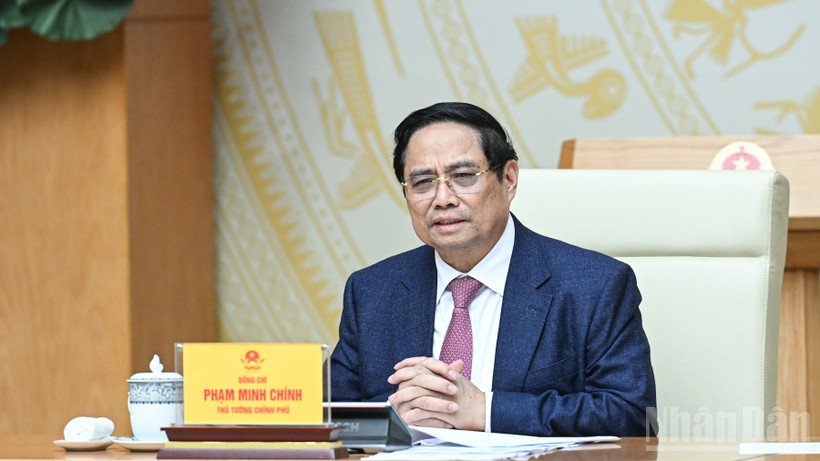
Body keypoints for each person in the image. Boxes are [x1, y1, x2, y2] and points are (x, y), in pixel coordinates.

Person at [330, 102, 656, 436]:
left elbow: (633, 416)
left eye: (463, 176)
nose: (442, 198)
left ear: (509, 179)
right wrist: (391, 417)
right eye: (423, 182)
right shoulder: (372, 292)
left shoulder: (594, 286)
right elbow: (325, 417)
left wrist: (484, 410)